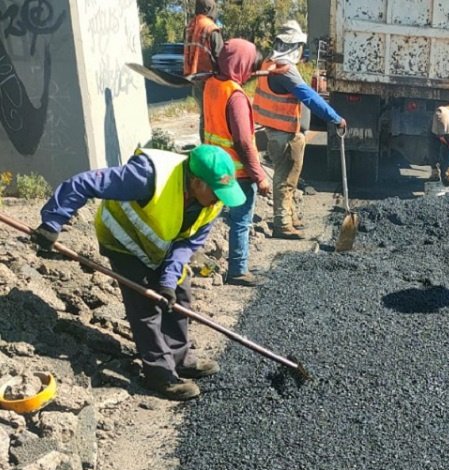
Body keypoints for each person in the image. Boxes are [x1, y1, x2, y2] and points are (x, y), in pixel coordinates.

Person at [30, 145, 246, 400]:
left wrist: (167, 280)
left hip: (162, 246)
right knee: (145, 306)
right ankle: (159, 375)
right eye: (217, 192)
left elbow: (187, 244)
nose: (221, 198)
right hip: (124, 242)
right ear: (197, 182)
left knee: (179, 293)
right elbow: (84, 182)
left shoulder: (212, 202)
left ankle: (180, 358)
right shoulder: (147, 176)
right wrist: (53, 221)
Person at [253, 21, 347, 240]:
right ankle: (282, 224)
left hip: (274, 130)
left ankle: (290, 216)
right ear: (294, 46)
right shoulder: (285, 71)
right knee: (285, 179)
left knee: (288, 177)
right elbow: (310, 97)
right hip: (284, 134)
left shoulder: (270, 63)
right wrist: (335, 118)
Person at [203, 38, 272, 286]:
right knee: (240, 221)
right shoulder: (236, 97)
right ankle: (238, 270)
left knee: (210, 217)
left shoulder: (211, 84)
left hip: (214, 167)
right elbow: (243, 142)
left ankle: (201, 264)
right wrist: (260, 176)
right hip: (236, 173)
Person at [183, 0, 224, 141]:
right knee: (215, 117)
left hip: (195, 80)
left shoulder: (190, 26)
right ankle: (214, 150)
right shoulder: (211, 28)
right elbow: (220, 56)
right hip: (210, 81)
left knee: (204, 116)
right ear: (209, 9)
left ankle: (204, 147)